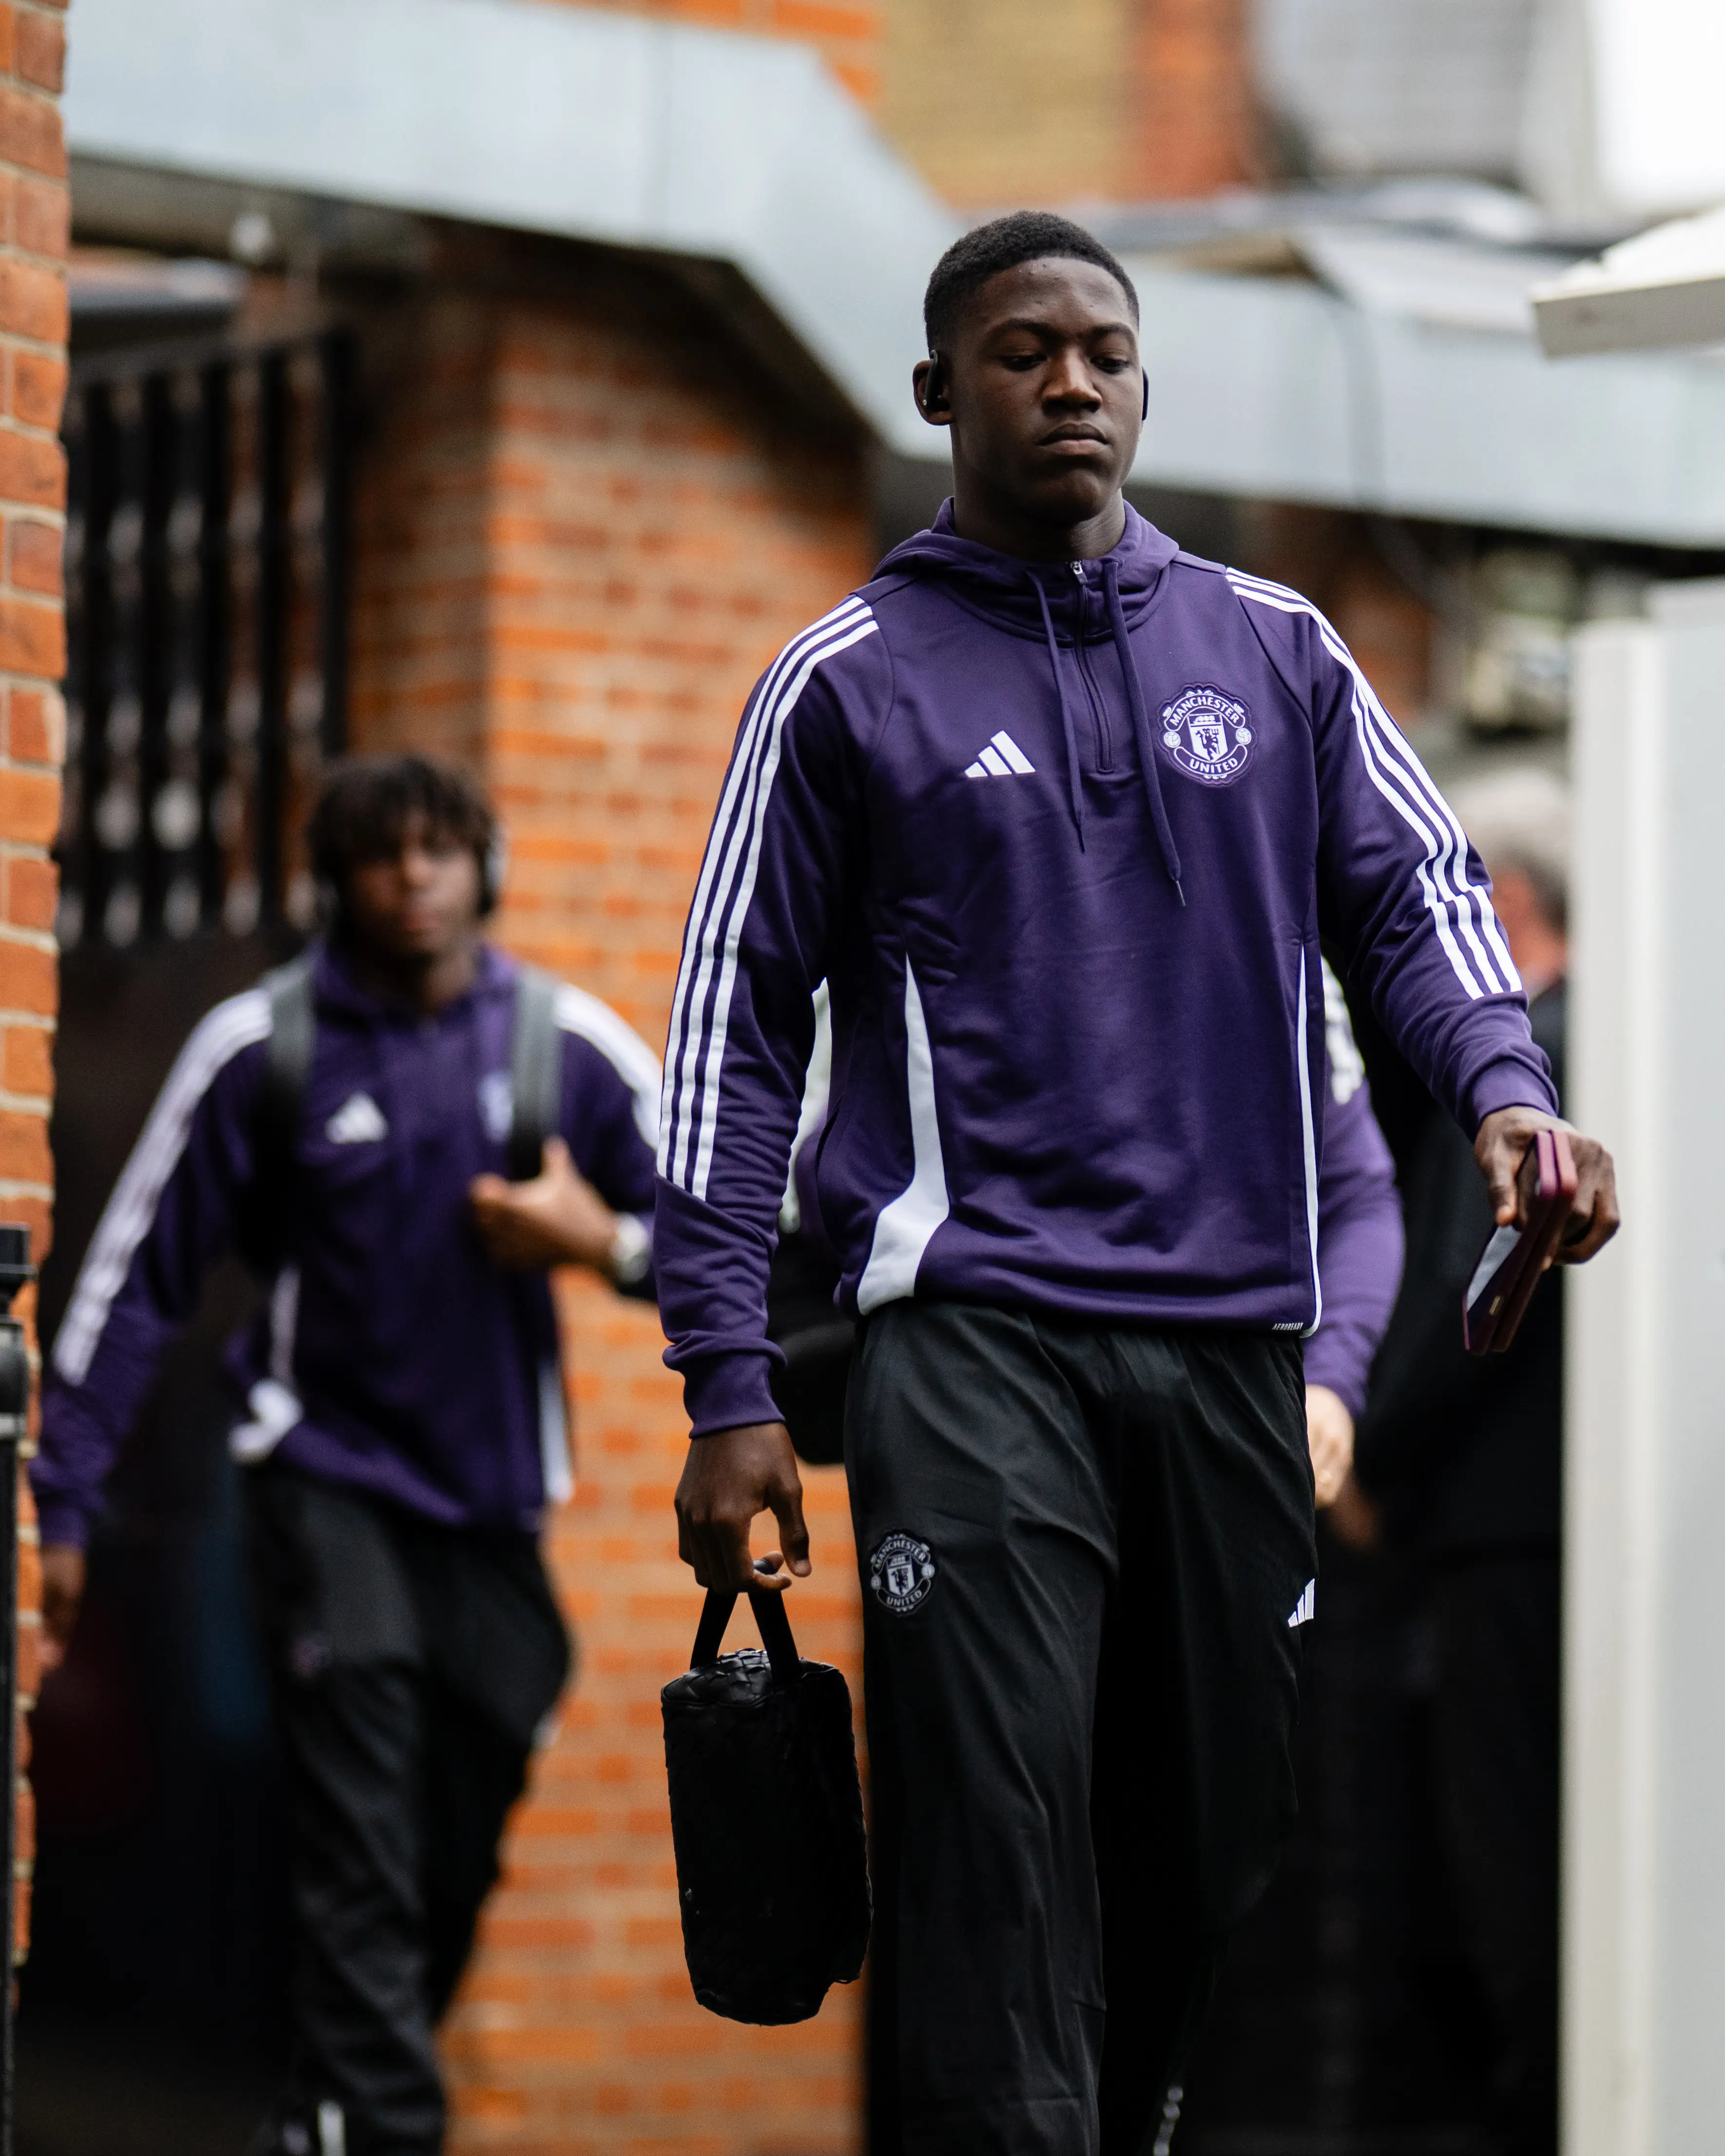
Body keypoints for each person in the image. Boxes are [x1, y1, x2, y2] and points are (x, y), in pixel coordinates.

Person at [655, 210, 1617, 2156]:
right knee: (1001, 1824)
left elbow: (1424, 910)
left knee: (1207, 1834)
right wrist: (729, 1384)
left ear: (1146, 380)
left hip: (1228, 1360)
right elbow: (727, 1037)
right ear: (941, 392)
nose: (1071, 378)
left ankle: (1132, 2115)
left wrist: (1508, 1100)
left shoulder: (1280, 651)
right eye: (1023, 350)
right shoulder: (844, 683)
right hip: (976, 1342)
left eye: (1104, 347)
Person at [33, 754, 662, 2156]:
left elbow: (734, 1251)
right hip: (322, 1482)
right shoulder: (267, 1046)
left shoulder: (558, 1047)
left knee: (459, 1816)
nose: (414, 878)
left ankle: (325, 2111)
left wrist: (600, 1243)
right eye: (384, 855)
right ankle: (379, 2125)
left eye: (442, 850)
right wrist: (62, 1503)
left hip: (494, 1513)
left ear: (482, 867)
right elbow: (135, 1283)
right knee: (365, 1822)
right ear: (342, 876)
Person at [1348, 767, 1572, 2156]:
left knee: (1507, 1896)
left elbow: (1454, 1292)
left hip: (1495, 1545)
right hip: (1579, 1541)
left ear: (1499, 901)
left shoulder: (1523, 1075)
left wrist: (1359, 1457)